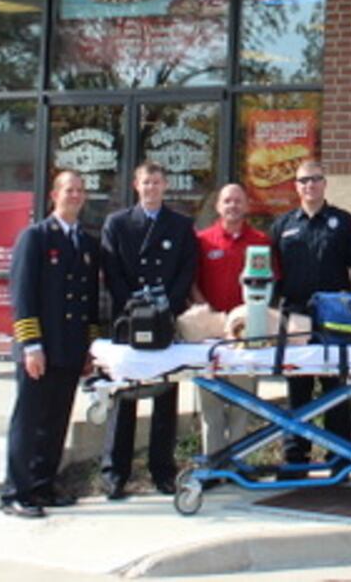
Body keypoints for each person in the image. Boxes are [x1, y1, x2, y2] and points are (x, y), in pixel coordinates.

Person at [0, 171, 101, 518]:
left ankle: (43, 485)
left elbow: (88, 302)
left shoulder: (85, 243)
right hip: (40, 349)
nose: (75, 195)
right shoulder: (36, 237)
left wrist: (89, 347)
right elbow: (22, 295)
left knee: (57, 420)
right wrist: (31, 345)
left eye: (80, 190)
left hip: (70, 349)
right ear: (54, 195)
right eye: (68, 190)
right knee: (29, 421)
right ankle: (15, 490)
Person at [101, 161, 199, 498]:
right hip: (128, 322)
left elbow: (187, 270)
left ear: (166, 185)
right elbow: (112, 270)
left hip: (164, 321)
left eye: (157, 182)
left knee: (164, 396)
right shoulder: (117, 224)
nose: (152, 188)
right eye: (146, 182)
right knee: (124, 396)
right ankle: (115, 473)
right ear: (136, 185)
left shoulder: (181, 225)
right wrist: (134, 307)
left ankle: (163, 471)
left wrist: (164, 307)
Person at [271, 159, 351, 464]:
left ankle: (339, 455)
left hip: (335, 315)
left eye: (315, 179)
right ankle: (296, 456)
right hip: (295, 316)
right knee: (298, 388)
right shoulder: (283, 225)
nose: (309, 185)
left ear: (325, 183)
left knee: (334, 388)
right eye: (303, 180)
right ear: (296, 186)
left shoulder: (344, 222)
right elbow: (273, 275)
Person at [189, 183, 269, 456]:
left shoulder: (260, 242)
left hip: (247, 337)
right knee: (211, 407)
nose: (233, 206)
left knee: (242, 404)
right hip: (211, 335)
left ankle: (236, 462)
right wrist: (210, 315)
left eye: (238, 201)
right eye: (227, 201)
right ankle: (213, 462)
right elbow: (192, 284)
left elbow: (269, 285)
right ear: (218, 206)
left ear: (247, 206)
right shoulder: (203, 241)